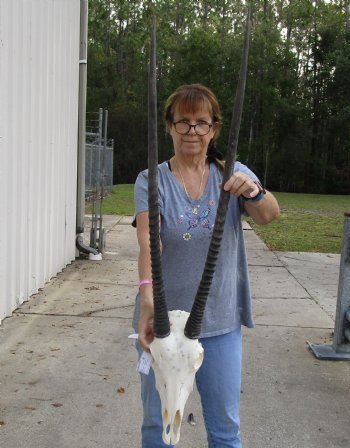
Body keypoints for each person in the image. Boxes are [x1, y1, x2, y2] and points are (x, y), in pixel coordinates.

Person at [133, 84, 280, 448]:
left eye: (201, 123)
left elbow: (269, 215)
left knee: (225, 428)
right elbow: (149, 242)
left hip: (219, 321)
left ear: (215, 128)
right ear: (170, 126)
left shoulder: (232, 173)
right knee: (159, 424)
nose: (192, 132)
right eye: (183, 122)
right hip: (163, 325)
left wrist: (253, 192)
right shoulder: (151, 180)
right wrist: (149, 303)